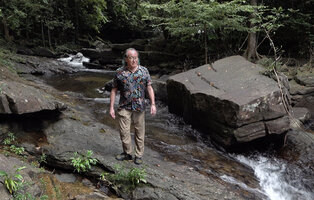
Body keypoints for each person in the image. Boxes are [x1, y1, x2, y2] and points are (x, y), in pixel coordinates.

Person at [109, 48, 157, 165]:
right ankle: (127, 153)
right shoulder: (119, 72)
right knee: (124, 132)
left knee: (139, 132)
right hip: (124, 106)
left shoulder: (144, 71)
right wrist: (111, 107)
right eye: (131, 58)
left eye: (136, 58)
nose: (134, 60)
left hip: (139, 106)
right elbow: (114, 90)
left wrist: (153, 104)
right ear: (126, 59)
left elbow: (149, 88)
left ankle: (139, 155)